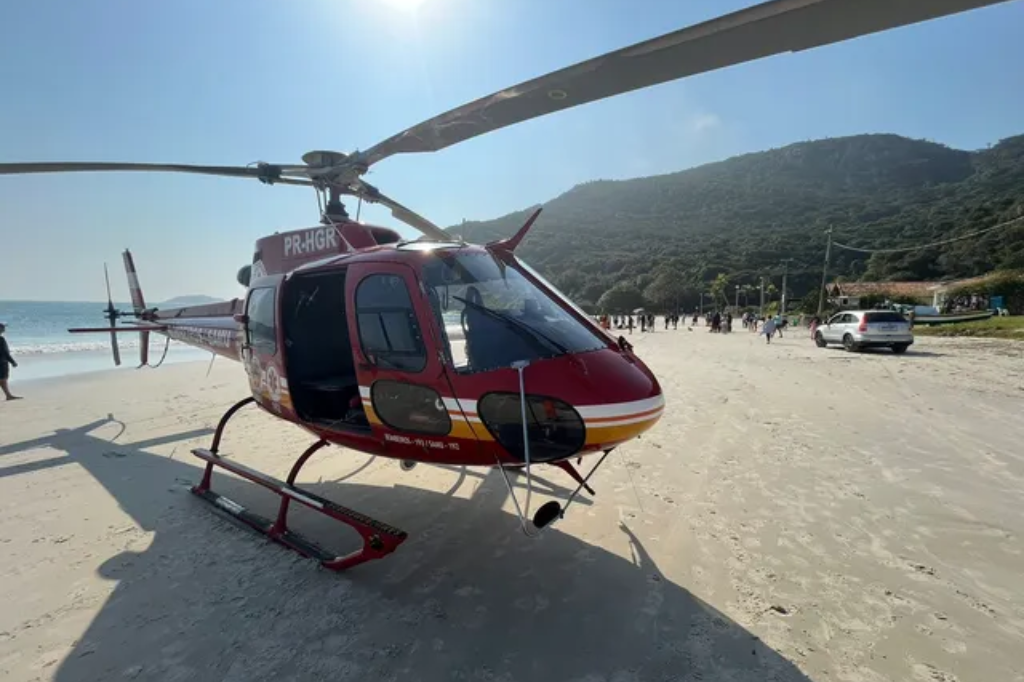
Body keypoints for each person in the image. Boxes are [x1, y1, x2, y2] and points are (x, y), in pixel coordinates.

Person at [0, 323, 22, 400]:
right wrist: (13, 362)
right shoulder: (1, 340)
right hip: (2, 362)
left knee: (2, 380)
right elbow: (5, 352)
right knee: (3, 379)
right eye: (2, 327)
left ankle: (8, 395)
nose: (4, 329)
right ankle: (8, 396)